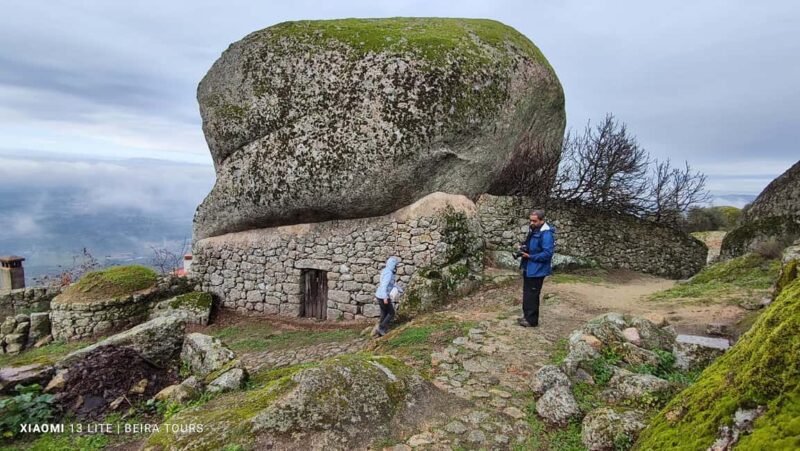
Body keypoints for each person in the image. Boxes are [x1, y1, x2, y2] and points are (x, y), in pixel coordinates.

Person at [517, 209, 555, 327]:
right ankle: (527, 317)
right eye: (530, 221)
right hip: (529, 267)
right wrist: (523, 247)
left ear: (541, 220)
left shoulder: (546, 234)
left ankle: (532, 320)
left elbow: (547, 253)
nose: (531, 223)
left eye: (534, 221)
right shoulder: (534, 230)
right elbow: (531, 245)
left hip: (537, 270)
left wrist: (530, 256)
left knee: (533, 294)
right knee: (527, 294)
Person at [374, 256, 402, 336]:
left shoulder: (387, 271)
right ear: (392, 264)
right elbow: (384, 285)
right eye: (395, 265)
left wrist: (400, 290)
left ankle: (380, 329)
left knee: (384, 313)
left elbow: (393, 283)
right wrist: (385, 297)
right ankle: (381, 328)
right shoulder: (389, 273)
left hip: (379, 295)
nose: (396, 267)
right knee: (391, 313)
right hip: (383, 296)